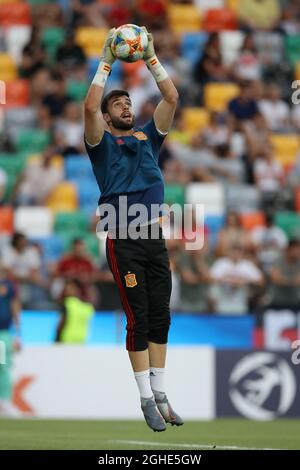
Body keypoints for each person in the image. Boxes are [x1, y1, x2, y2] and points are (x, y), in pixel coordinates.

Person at [84, 28, 182, 432]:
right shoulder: (101, 144)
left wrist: (151, 57)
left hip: (153, 238)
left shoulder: (148, 138)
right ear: (108, 118)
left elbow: (172, 98)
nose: (125, 106)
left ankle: (160, 393)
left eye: (127, 101)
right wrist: (107, 60)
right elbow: (89, 109)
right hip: (122, 238)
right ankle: (144, 398)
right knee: (137, 318)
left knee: (161, 316)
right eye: (117, 104)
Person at [0, 260, 21, 416]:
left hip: (4, 333)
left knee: (3, 366)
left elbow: (14, 305)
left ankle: (4, 402)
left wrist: (18, 332)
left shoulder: (9, 284)